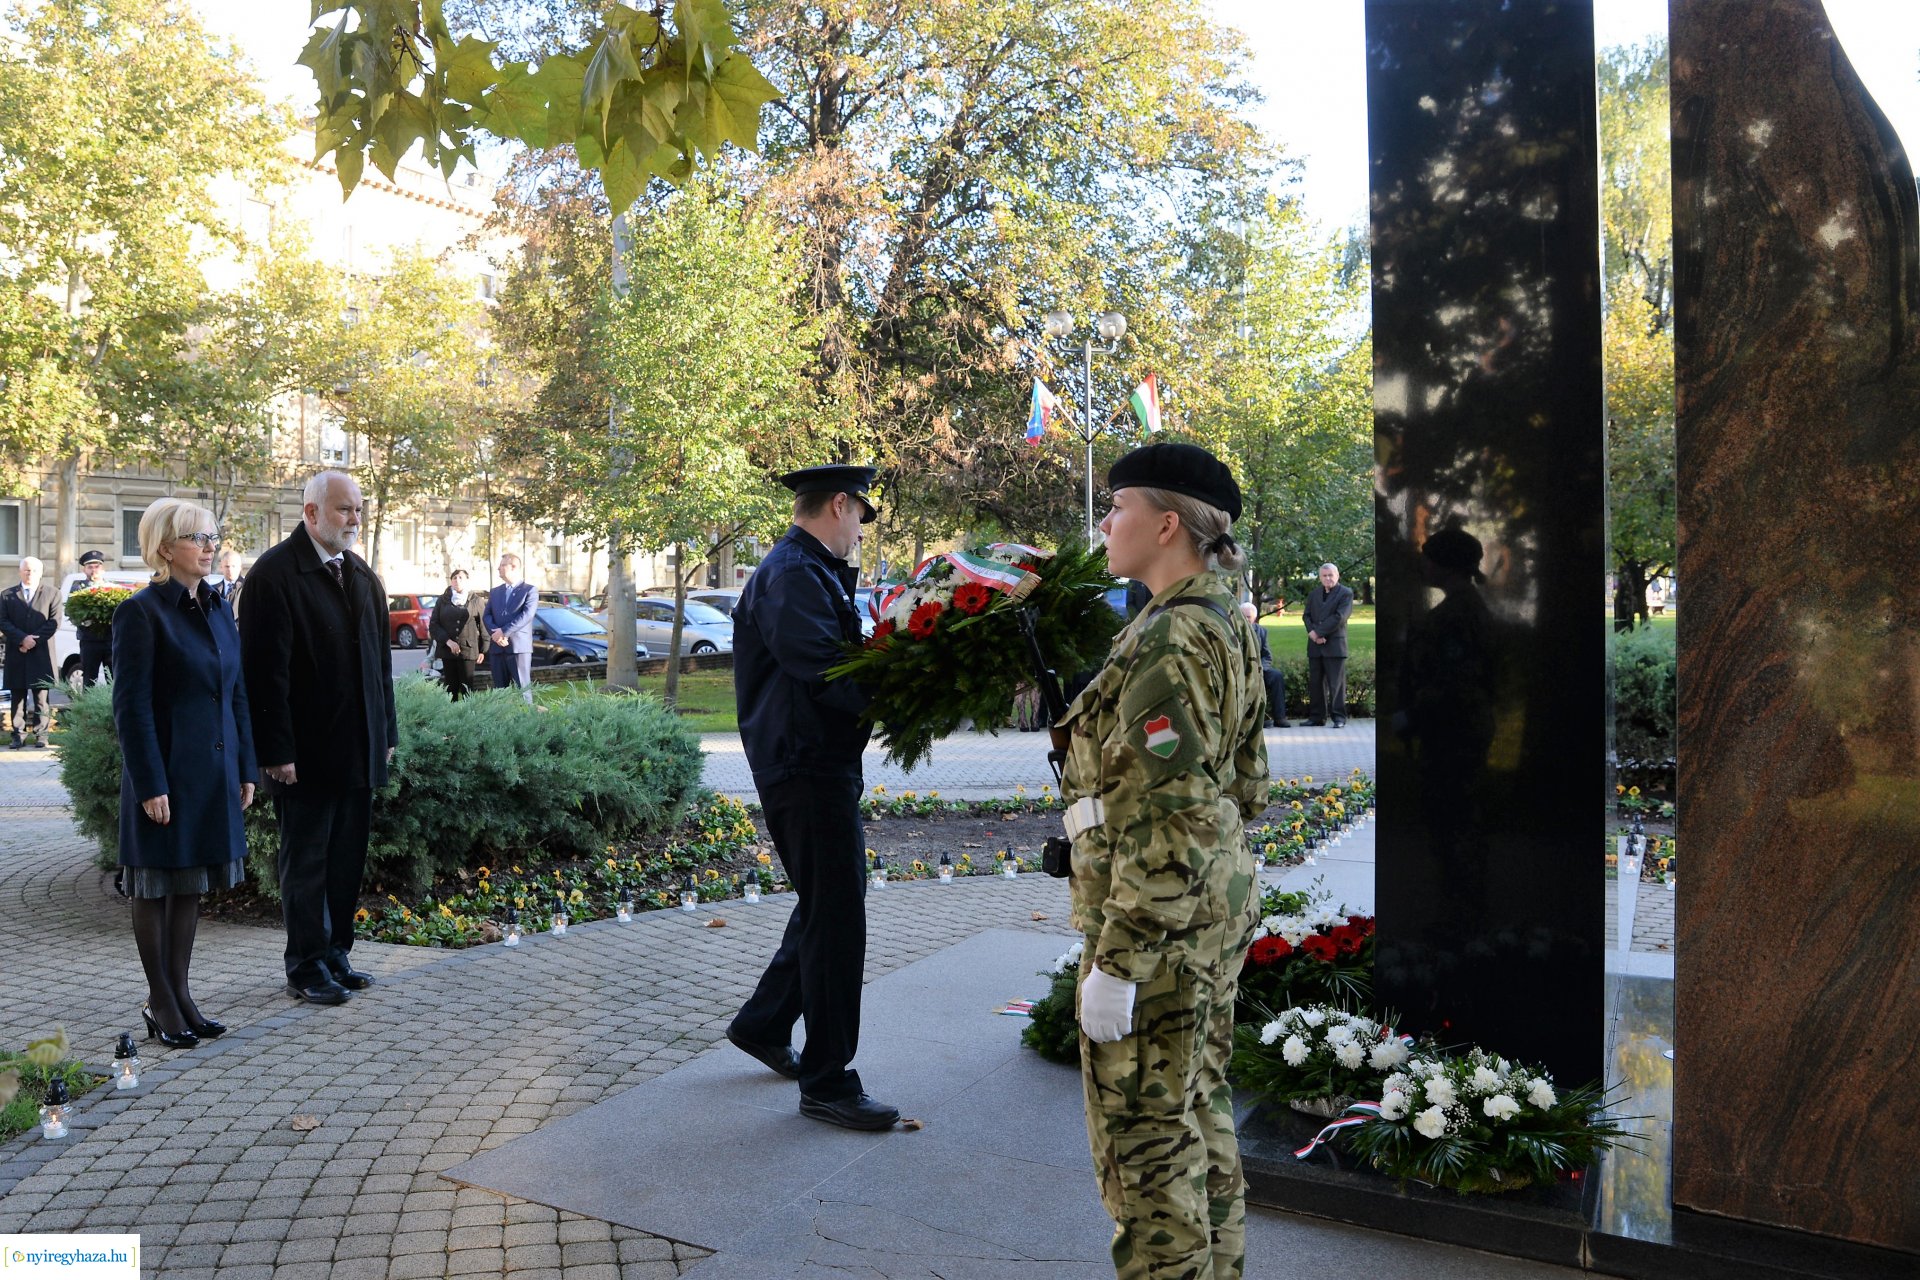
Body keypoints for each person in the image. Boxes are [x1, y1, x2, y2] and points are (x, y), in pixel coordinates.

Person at [1058, 441, 1268, 1280]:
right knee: (1200, 1120)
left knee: (1147, 1157)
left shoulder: (1172, 639)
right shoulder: (1216, 619)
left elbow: (1173, 822)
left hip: (1161, 935)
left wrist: (1120, 961)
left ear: (1168, 523)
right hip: (1207, 916)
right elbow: (1244, 786)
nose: (1105, 523)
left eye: (1117, 508)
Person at [725, 463, 898, 1132]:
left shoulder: (807, 570)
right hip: (804, 765)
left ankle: (764, 1023)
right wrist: (904, 689)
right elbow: (827, 671)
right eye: (860, 516)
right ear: (838, 504)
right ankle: (828, 1082)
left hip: (811, 759)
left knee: (828, 904)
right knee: (837, 919)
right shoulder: (795, 573)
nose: (859, 531)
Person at [240, 470, 397, 1006]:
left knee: (346, 858)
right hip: (303, 755)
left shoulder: (360, 574)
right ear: (311, 513)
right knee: (305, 861)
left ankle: (336, 954)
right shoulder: (274, 575)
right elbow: (265, 675)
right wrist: (275, 751)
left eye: (358, 510)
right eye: (343, 510)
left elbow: (381, 669)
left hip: (357, 749)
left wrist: (387, 733)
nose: (354, 519)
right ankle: (305, 965)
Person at [112, 499, 257, 1048]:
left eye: (212, 535)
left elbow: (236, 692)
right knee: (155, 885)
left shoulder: (219, 606)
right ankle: (162, 1001)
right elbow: (131, 707)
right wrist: (150, 783)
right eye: (198, 536)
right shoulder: (142, 612)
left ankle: (180, 995)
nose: (210, 544)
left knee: (189, 886)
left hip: (212, 772)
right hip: (164, 776)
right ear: (166, 547)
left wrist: (245, 766)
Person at [2, 557, 59, 749]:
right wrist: (22, 639)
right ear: (20, 572)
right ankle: (18, 735)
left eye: (34, 570)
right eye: (26, 570)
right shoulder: (7, 595)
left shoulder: (52, 593)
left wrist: (33, 641)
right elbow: (3, 621)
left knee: (41, 697)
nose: (30, 574)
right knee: (17, 696)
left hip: (41, 652)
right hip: (17, 652)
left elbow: (54, 621)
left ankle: (42, 735)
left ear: (41, 573)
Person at [1303, 562, 1354, 727]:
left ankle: (1339, 718)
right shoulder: (1314, 594)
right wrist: (1312, 633)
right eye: (1324, 576)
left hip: (1335, 646)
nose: (1328, 578)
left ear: (1337, 575)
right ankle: (1317, 717)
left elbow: (1340, 617)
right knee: (1316, 684)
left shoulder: (1346, 593)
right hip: (1315, 646)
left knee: (1336, 684)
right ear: (1320, 577)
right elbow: (1307, 615)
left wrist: (1319, 633)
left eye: (1331, 575)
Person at [483, 553, 536, 704]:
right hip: (497, 648)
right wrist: (496, 634)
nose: (498, 568)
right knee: (500, 692)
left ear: (513, 567)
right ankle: (502, 724)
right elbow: (487, 615)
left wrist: (504, 632)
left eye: (502, 565)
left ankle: (527, 722)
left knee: (523, 690)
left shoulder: (529, 590)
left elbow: (527, 615)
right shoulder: (495, 592)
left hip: (518, 647)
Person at [429, 567, 488, 700]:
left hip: (468, 649)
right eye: (454, 578)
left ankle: (470, 717)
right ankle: (452, 717)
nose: (457, 580)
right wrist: (448, 641)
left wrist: (483, 650)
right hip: (447, 650)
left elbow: (484, 625)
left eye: (460, 577)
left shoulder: (476, 600)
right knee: (450, 689)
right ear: (451, 581)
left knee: (467, 688)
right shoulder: (442, 600)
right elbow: (434, 625)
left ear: (467, 581)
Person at [1240, 601, 1291, 727]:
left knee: (1277, 676)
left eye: (1248, 617)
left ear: (1255, 618)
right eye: (1243, 616)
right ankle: (1253, 720)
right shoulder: (1232, 631)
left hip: (1259, 669)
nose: (1245, 619)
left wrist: (1260, 669)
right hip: (1240, 670)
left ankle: (1280, 718)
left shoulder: (1262, 631)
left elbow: (1267, 655)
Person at [70, 549, 115, 688]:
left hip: (110, 640)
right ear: (84, 570)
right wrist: (83, 620)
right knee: (89, 679)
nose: (94, 570)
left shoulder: (112, 588)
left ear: (102, 569)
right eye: (90, 567)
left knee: (113, 679)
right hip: (89, 640)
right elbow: (71, 613)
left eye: (97, 566)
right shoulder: (78, 588)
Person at [211, 550, 245, 616]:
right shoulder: (212, 590)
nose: (230, 569)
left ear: (240, 567)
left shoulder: (248, 588)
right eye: (227, 566)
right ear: (221, 567)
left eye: (233, 566)